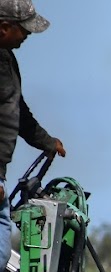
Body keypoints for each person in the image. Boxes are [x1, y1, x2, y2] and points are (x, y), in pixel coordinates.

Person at [0, 1, 64, 236]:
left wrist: (46, 142)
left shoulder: (6, 59)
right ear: (4, 27)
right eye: (24, 28)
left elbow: (18, 110)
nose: (27, 34)